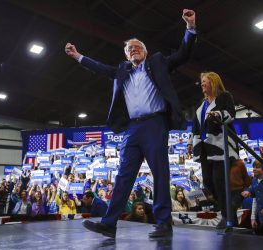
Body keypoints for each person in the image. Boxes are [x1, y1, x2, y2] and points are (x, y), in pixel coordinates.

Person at [65, 9, 196, 238]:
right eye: (130, 49)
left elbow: (183, 54)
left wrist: (190, 27)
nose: (134, 50)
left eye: (137, 47)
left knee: (160, 172)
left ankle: (164, 223)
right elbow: (100, 68)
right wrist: (78, 56)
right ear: (127, 56)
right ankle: (109, 224)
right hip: (132, 128)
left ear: (145, 52)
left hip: (155, 124)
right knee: (124, 175)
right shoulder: (122, 71)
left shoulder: (157, 63)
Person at [189, 71, 238, 229]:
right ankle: (229, 210)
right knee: (208, 183)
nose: (202, 84)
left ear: (214, 82)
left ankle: (227, 216)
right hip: (204, 149)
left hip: (220, 148)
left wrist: (216, 114)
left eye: (205, 81)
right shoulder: (201, 105)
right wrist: (191, 142)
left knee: (219, 181)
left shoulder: (224, 96)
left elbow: (231, 114)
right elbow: (195, 126)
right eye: (202, 82)